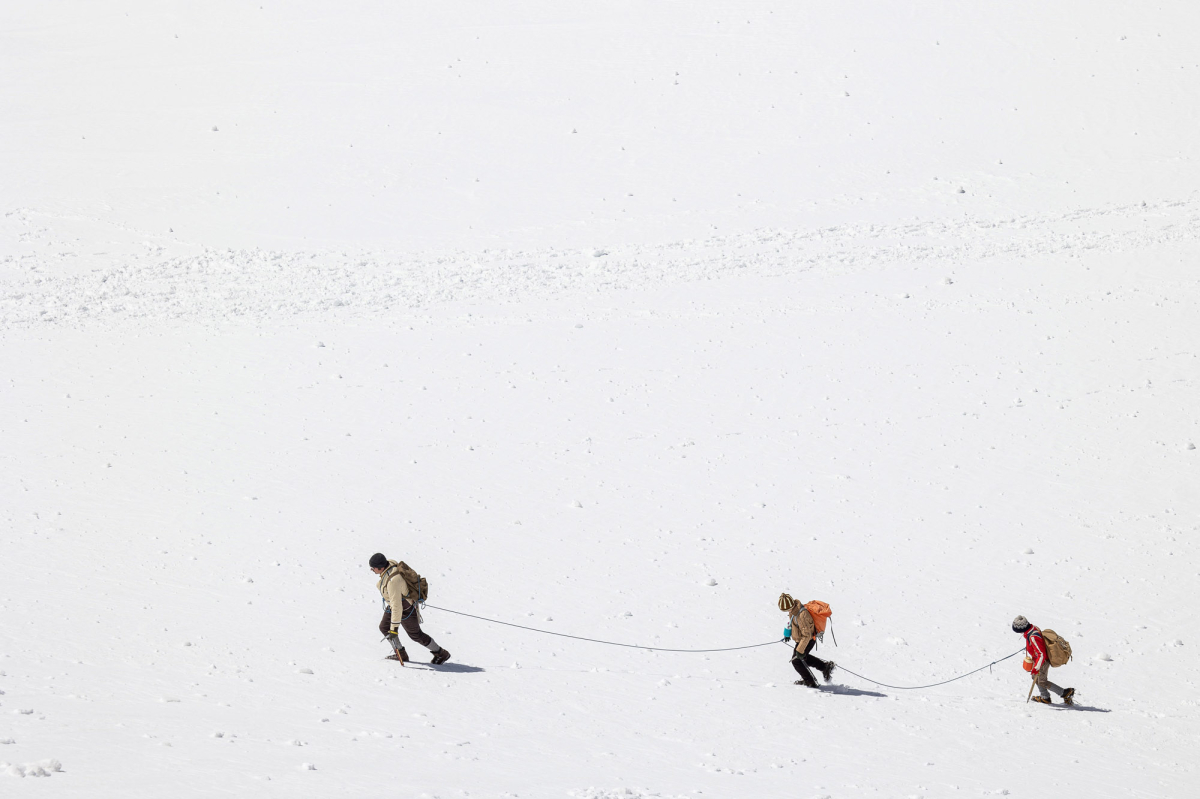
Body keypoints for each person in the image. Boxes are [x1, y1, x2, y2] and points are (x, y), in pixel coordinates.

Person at [370, 553, 450, 665]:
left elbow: (397, 607)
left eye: (373, 568)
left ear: (381, 568)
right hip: (395, 604)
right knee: (384, 627)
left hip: (405, 608)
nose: (372, 570)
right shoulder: (390, 563)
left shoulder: (393, 581)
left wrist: (394, 629)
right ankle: (401, 654)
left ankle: (441, 653)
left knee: (416, 635)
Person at [1013, 615, 1073, 705]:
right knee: (1035, 677)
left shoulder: (1033, 637)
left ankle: (1065, 693)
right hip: (1038, 659)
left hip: (1042, 661)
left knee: (1041, 681)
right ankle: (1045, 697)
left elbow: (1041, 654)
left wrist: (1036, 668)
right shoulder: (1032, 628)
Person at [778, 593, 835, 688]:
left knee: (796, 661)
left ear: (790, 606)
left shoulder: (802, 615)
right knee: (802, 658)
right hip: (802, 639)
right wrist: (788, 633)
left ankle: (810, 682)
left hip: (807, 640)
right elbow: (794, 624)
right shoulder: (794, 610)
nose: (787, 611)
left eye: (787, 609)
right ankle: (824, 667)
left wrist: (800, 650)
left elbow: (807, 634)